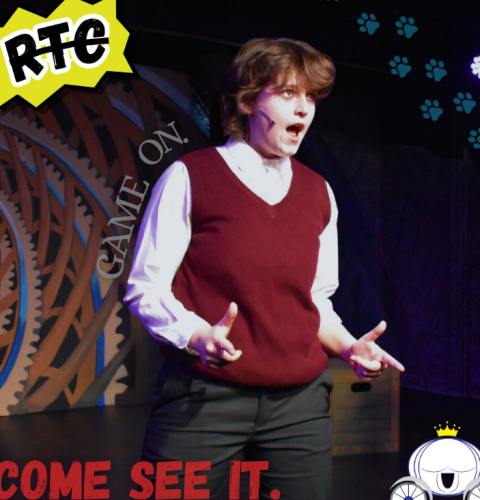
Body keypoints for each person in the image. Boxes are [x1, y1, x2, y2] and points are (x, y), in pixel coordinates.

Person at [124, 37, 405, 500]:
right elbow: (146, 287)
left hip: (299, 407)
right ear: (249, 101)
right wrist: (197, 335)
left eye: (310, 96)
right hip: (204, 400)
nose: (304, 108)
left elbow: (315, 301)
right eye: (288, 93)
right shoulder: (191, 177)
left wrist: (348, 347)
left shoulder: (319, 193)